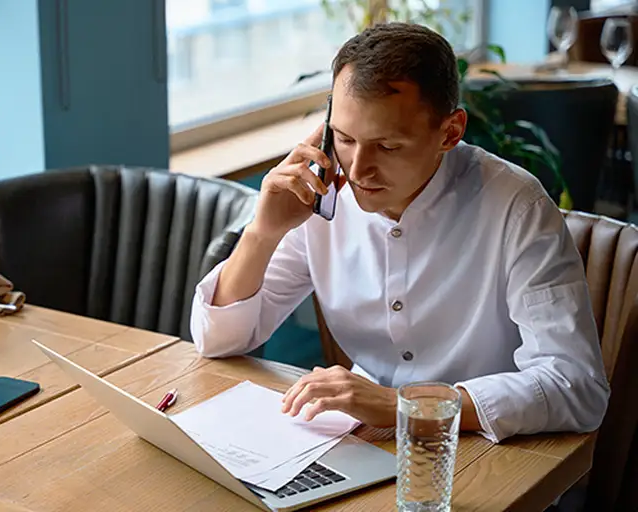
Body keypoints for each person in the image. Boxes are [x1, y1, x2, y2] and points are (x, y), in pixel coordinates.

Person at [189, 22, 609, 443]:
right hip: (365, 438)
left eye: (388, 146)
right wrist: (263, 232)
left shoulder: (517, 207)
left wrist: (402, 406)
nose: (357, 170)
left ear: (450, 132)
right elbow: (218, 341)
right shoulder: (321, 194)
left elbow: (577, 385)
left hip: (490, 448)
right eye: (345, 139)